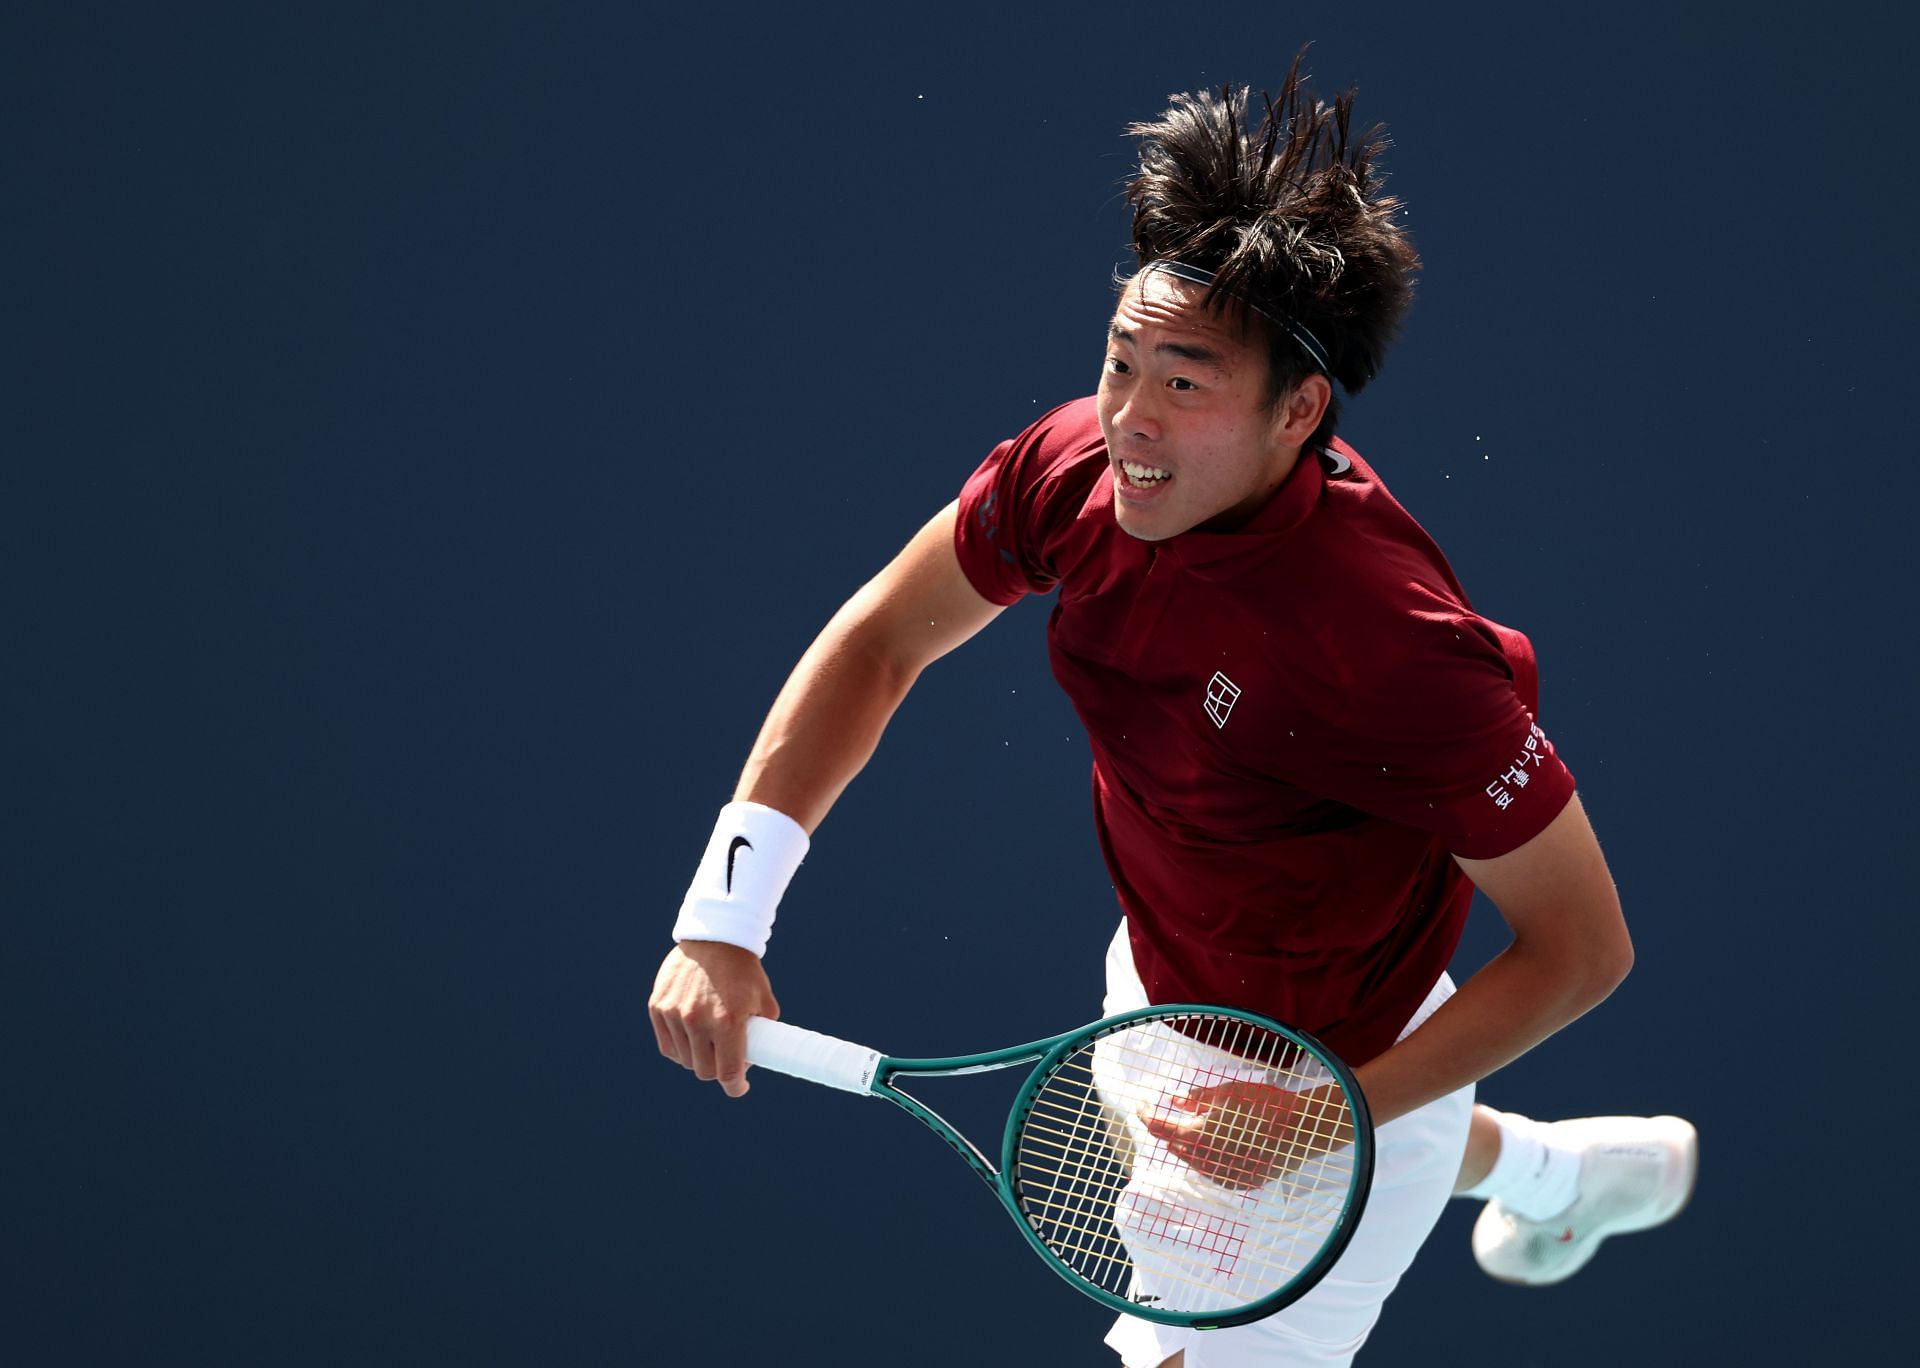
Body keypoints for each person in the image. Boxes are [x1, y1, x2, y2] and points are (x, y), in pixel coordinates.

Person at [649, 62, 1697, 1367]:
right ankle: (1558, 1175)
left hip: (1340, 1087)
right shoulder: (1077, 473)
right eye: (1119, 360)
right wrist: (723, 914)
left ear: (1297, 412)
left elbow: (1581, 949)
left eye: (1186, 385)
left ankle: (1439, 1154)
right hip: (1155, 1000)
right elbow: (883, 637)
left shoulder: (1391, 650)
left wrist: (1343, 1120)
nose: (1129, 420)